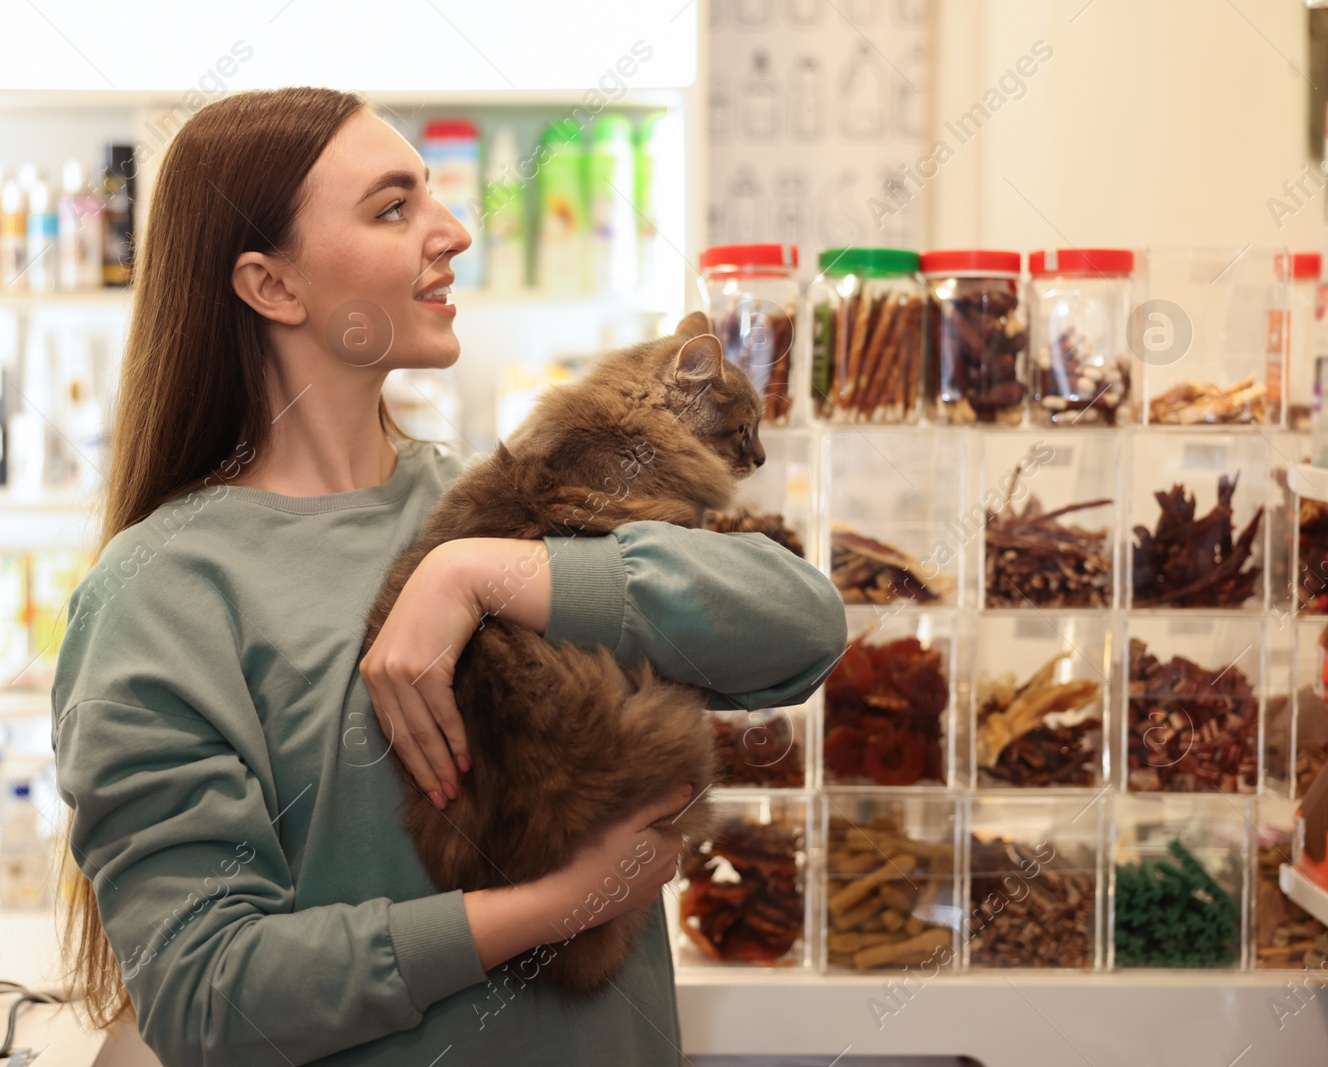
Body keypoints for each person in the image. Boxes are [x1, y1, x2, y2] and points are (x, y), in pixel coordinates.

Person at [52, 86, 847, 1067]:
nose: (455, 230)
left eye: (433, 195)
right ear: (273, 286)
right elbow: (209, 998)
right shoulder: (162, 591)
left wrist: (480, 572)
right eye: (394, 207)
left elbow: (802, 624)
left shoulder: (501, 502)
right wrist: (552, 907)